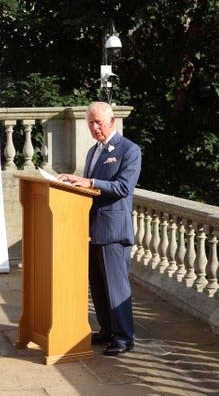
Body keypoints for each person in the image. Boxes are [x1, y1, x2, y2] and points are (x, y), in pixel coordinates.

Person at [57, 101, 141, 356]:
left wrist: (89, 181)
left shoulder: (129, 150)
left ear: (112, 121)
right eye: (90, 123)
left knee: (116, 287)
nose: (94, 127)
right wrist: (72, 183)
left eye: (98, 122)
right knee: (98, 286)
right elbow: (89, 189)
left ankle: (124, 337)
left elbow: (123, 188)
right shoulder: (93, 151)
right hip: (90, 228)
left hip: (113, 229)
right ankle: (107, 330)